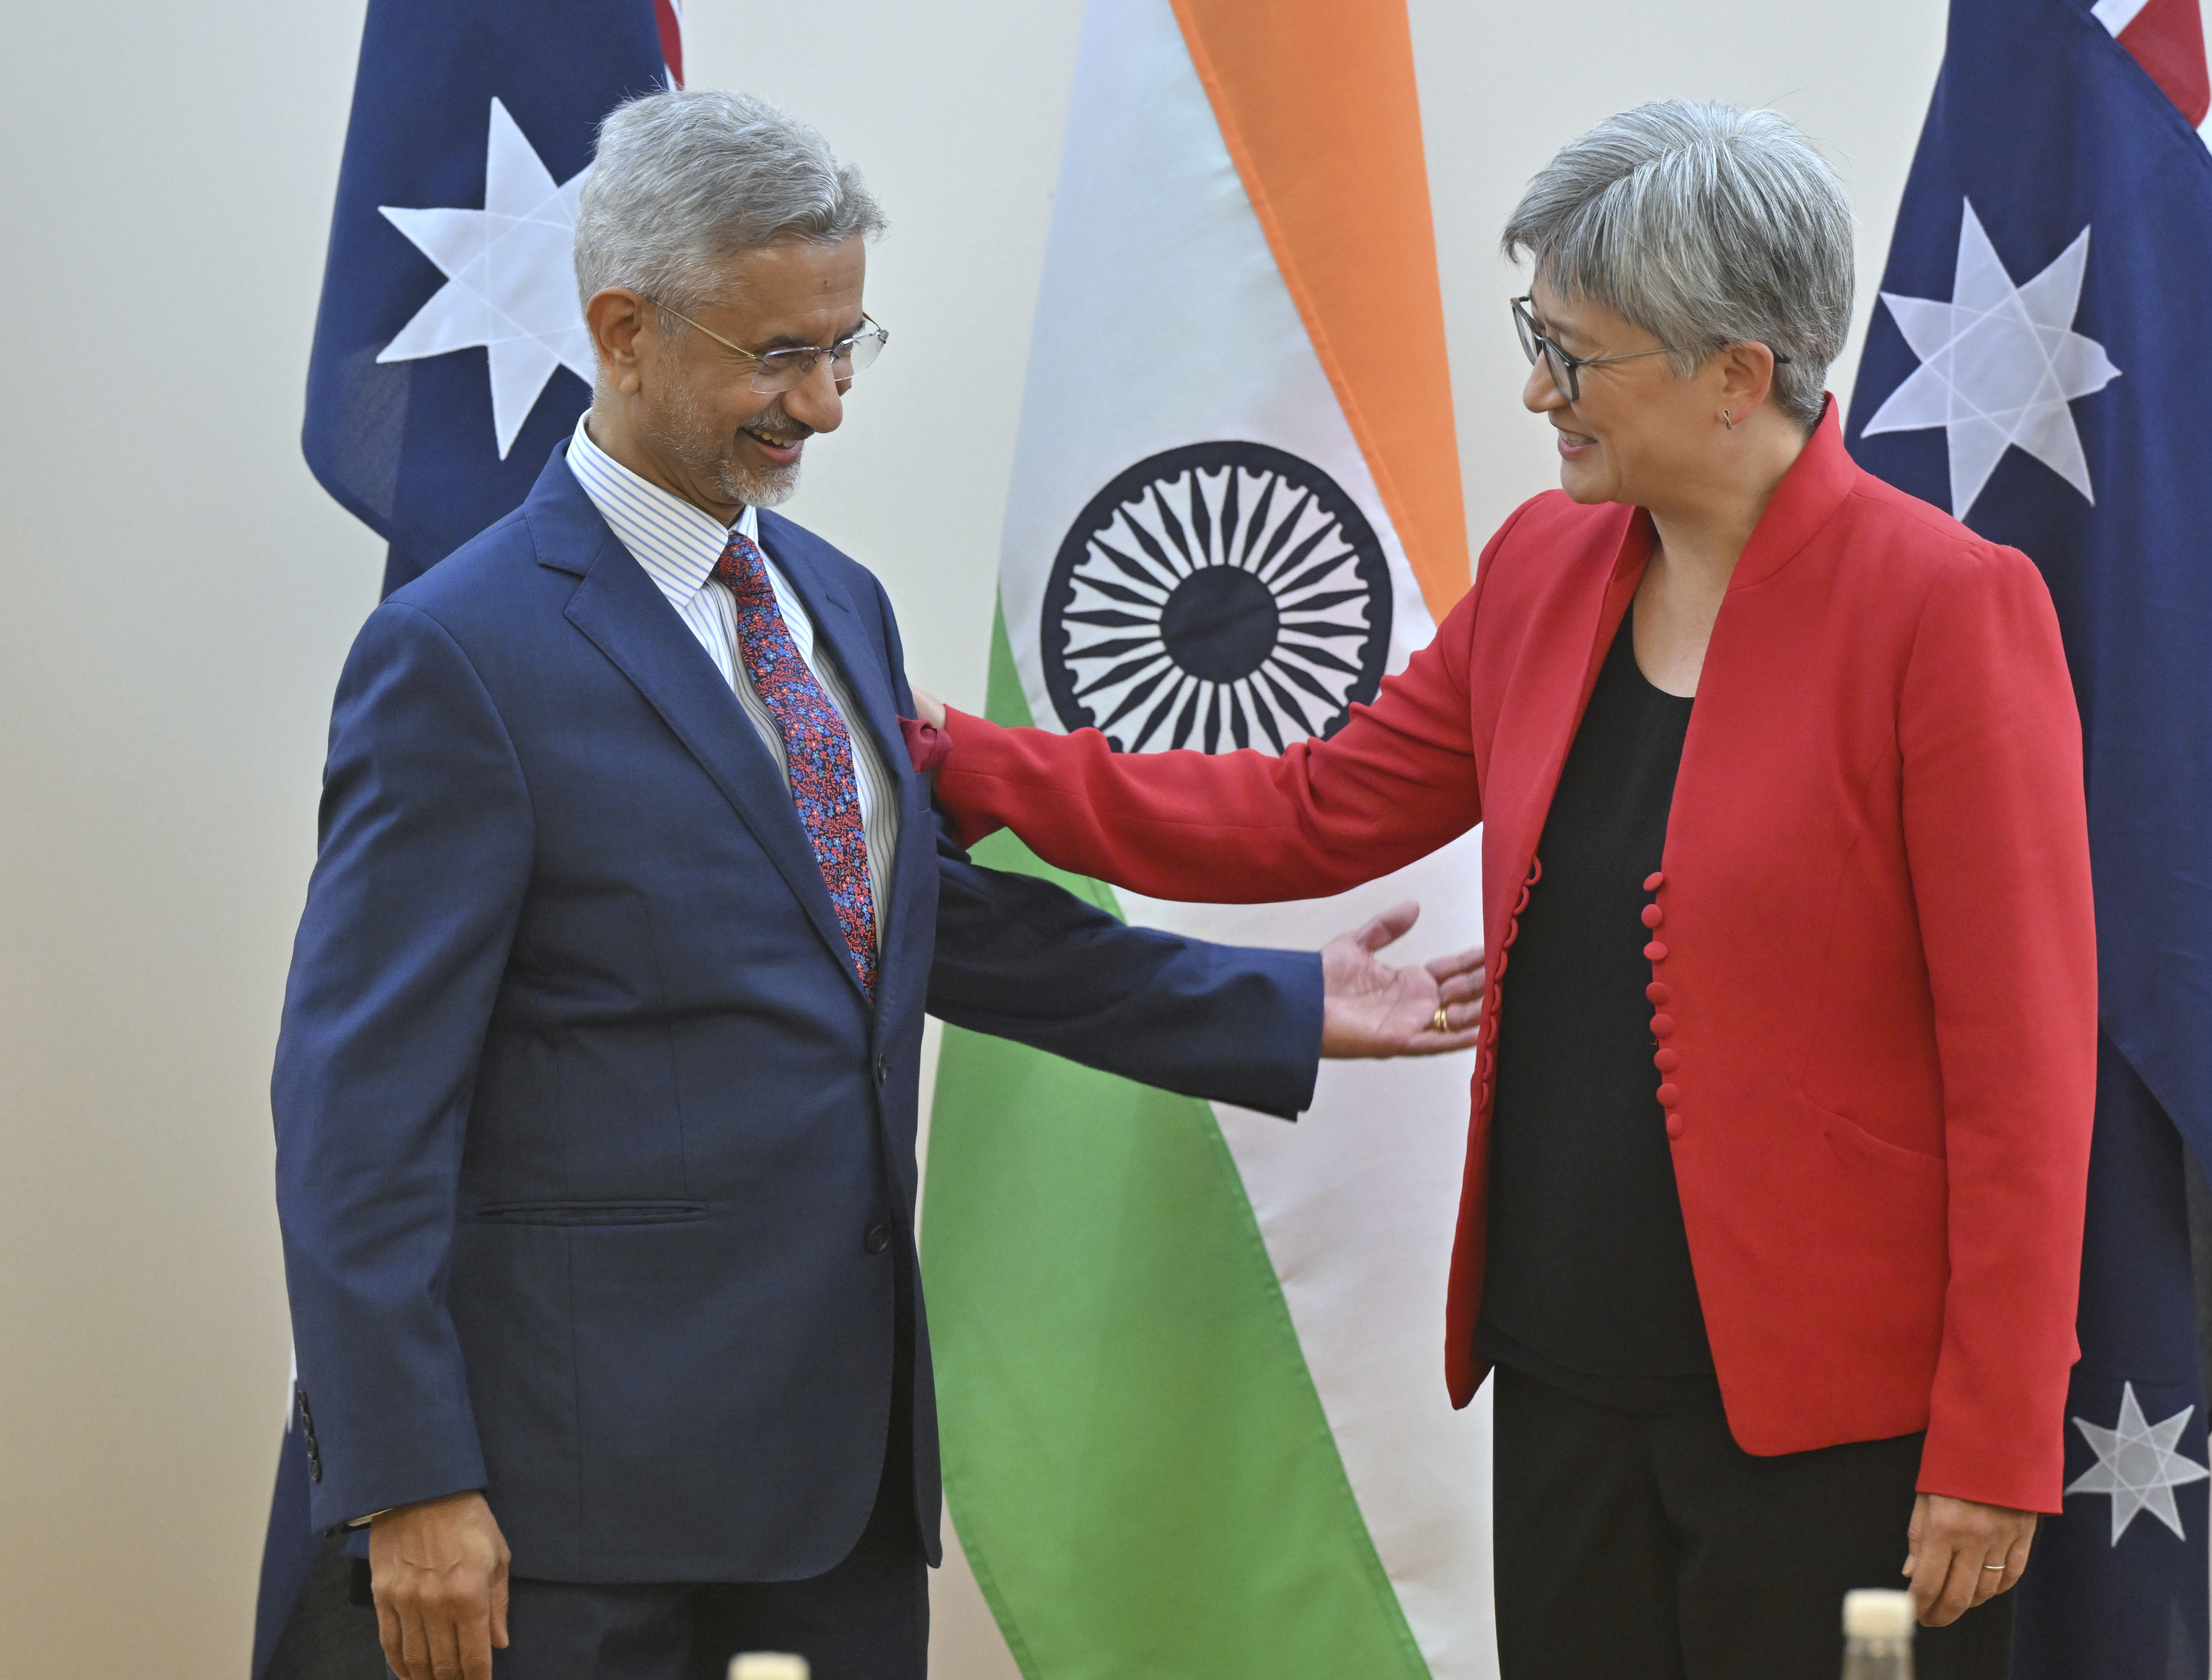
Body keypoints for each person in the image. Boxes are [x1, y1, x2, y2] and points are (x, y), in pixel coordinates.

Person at [271, 87, 1482, 1680]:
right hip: (569, 1507)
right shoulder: (460, 655)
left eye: (849, 346)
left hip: (834, 1486)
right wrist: (412, 1478)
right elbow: (356, 1104)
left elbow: (903, 921)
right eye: (780, 355)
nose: (827, 405)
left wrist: (1277, 999)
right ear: (624, 330)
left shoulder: (829, 598)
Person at [914, 101, 2097, 1679]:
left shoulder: (1946, 611)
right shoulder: (1546, 564)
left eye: (1577, 353)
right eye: (1535, 334)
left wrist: (1997, 1440)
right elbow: (1308, 811)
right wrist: (953, 762)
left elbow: (2026, 1071)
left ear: (1737, 373)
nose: (1538, 388)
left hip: (1843, 1440)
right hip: (1561, 1383)